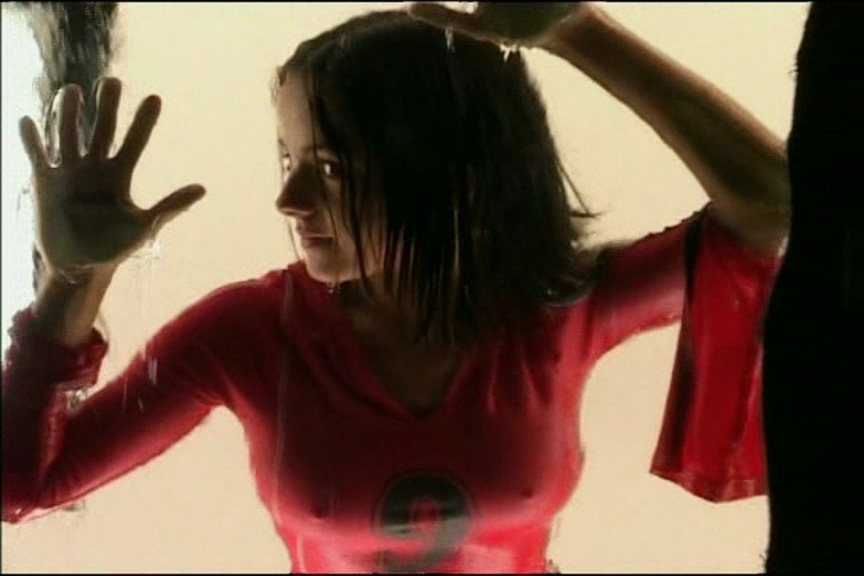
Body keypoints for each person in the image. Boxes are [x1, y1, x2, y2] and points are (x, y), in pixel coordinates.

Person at [2, 3, 789, 573]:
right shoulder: (250, 332)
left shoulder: (560, 308)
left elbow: (771, 204)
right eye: (290, 161)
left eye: (331, 168)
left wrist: (578, 30)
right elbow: (22, 486)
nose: (289, 200)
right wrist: (74, 280)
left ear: (453, 174)